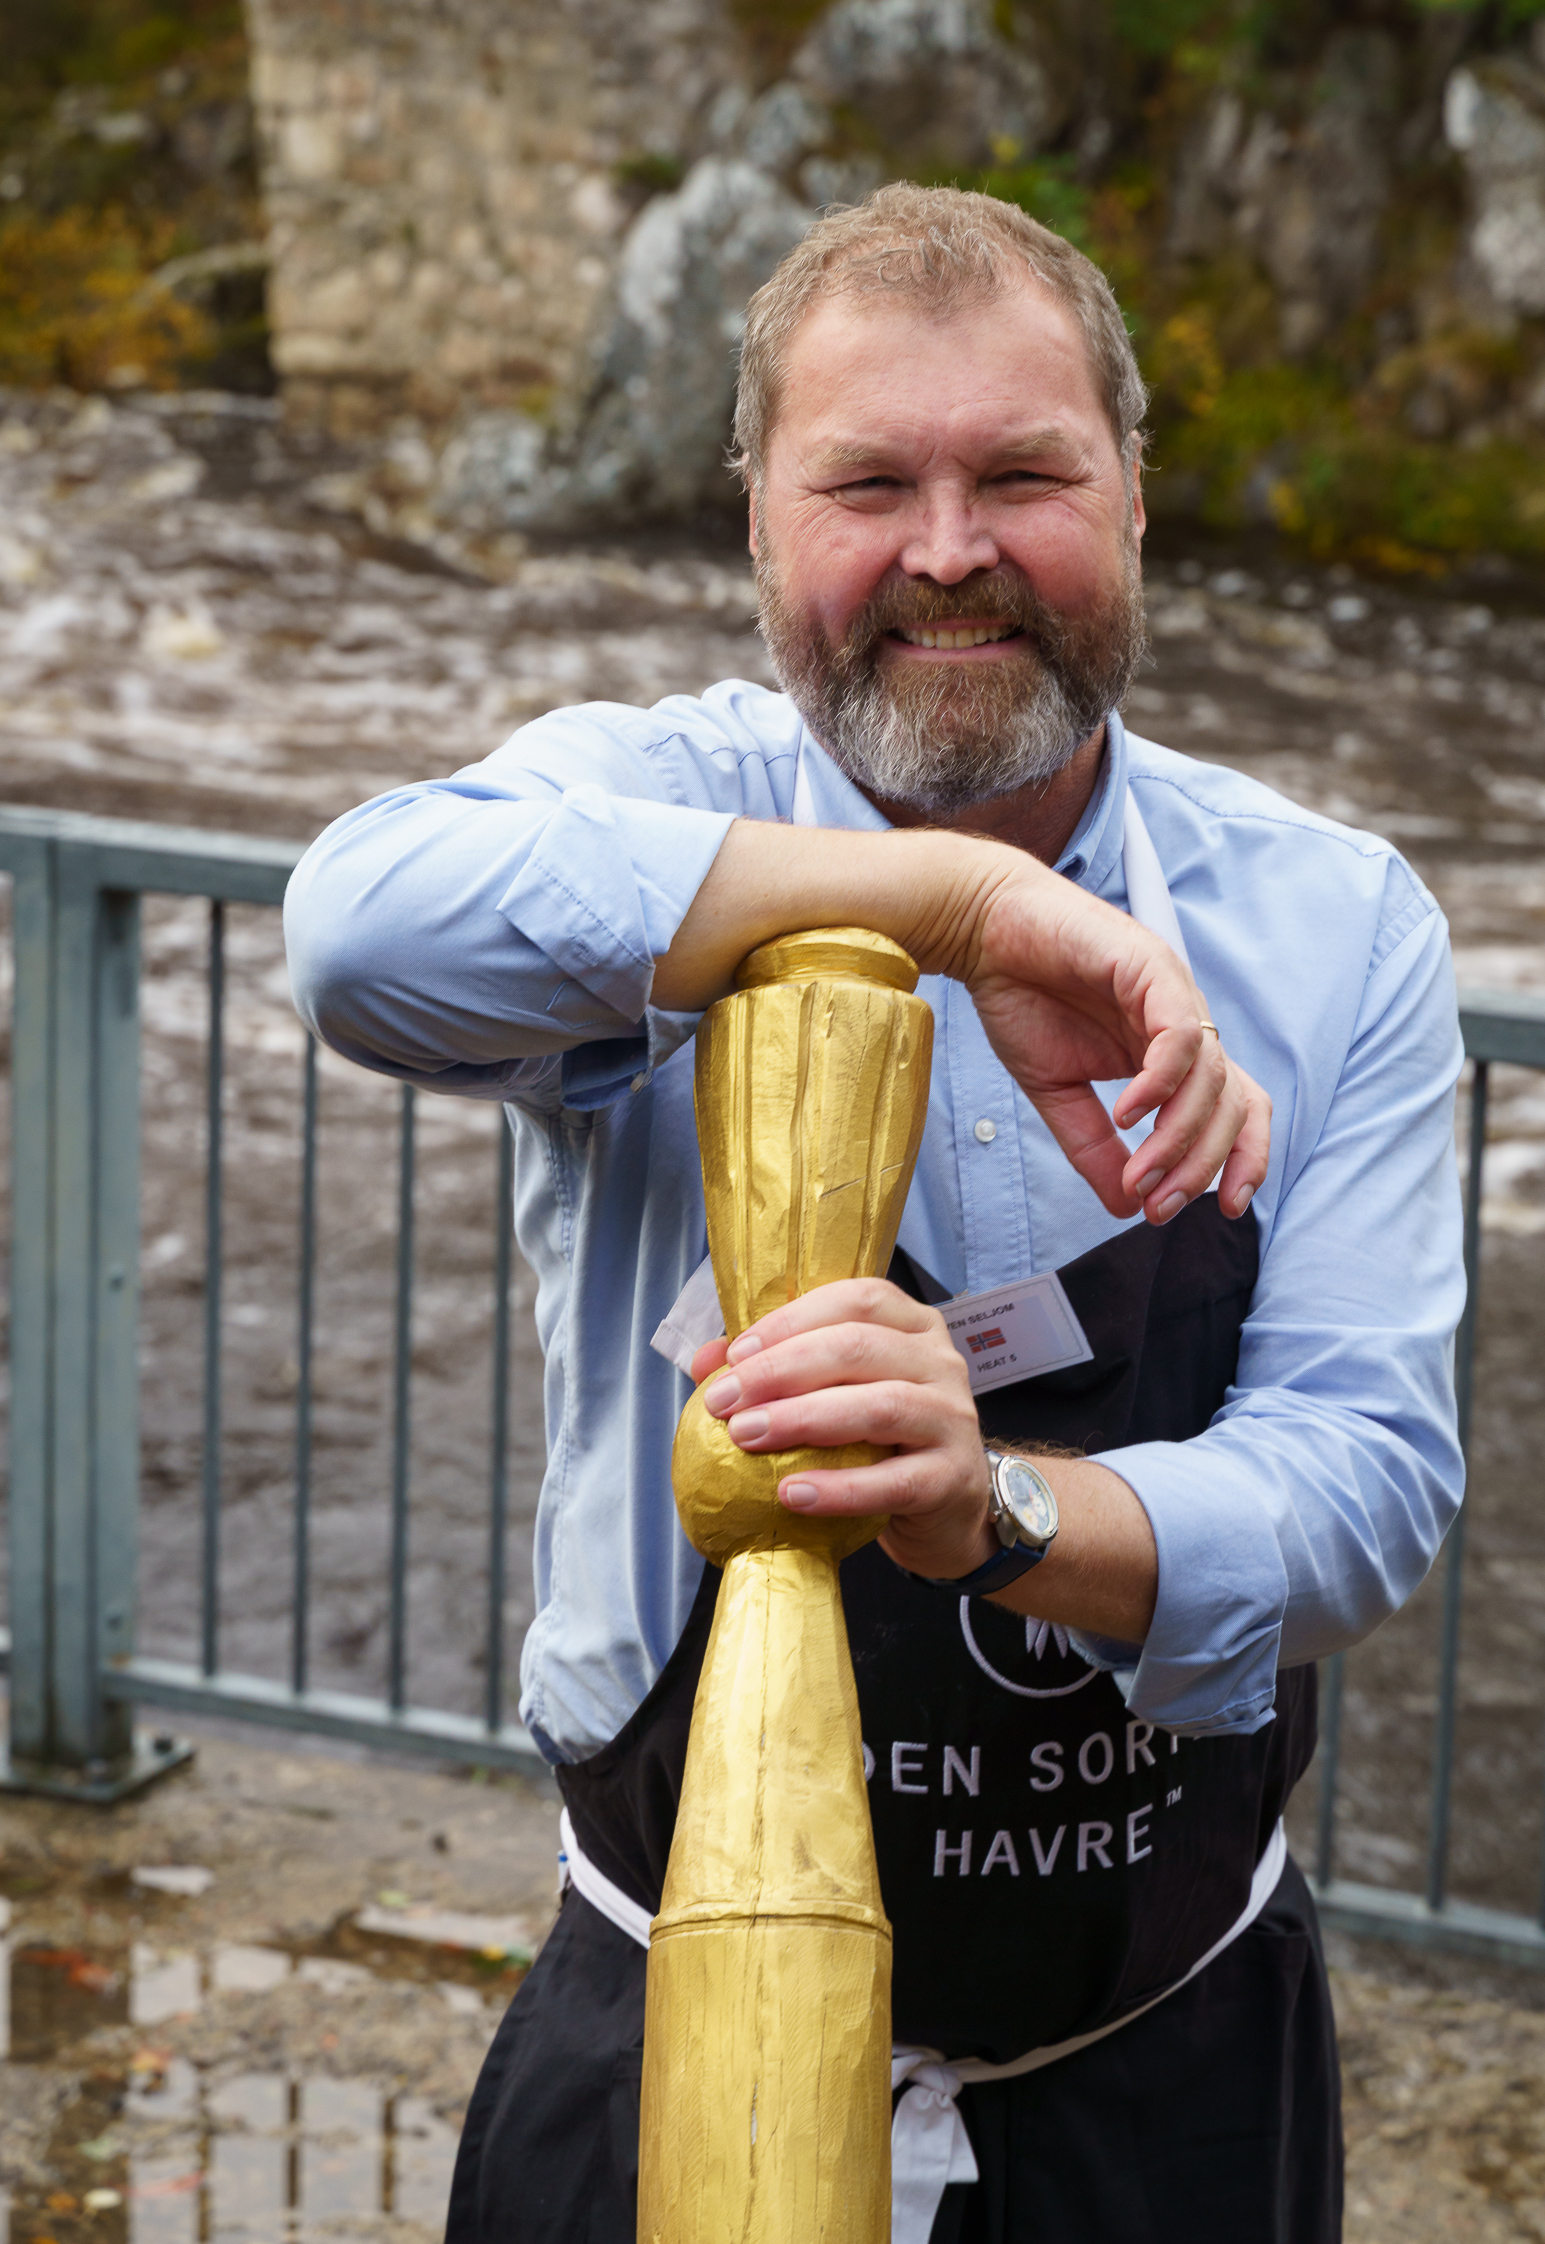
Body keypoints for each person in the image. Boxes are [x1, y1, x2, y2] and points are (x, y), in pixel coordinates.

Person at [284, 183, 1466, 2244]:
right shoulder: (649, 796)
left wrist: (982, 1508)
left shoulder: (1336, 919)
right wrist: (949, 900)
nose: (947, 550)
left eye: (1023, 473)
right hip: (665, 2045)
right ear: (757, 513)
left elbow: (1364, 1490)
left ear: (1133, 495)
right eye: (867, 484)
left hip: (1158, 2090)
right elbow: (349, 934)